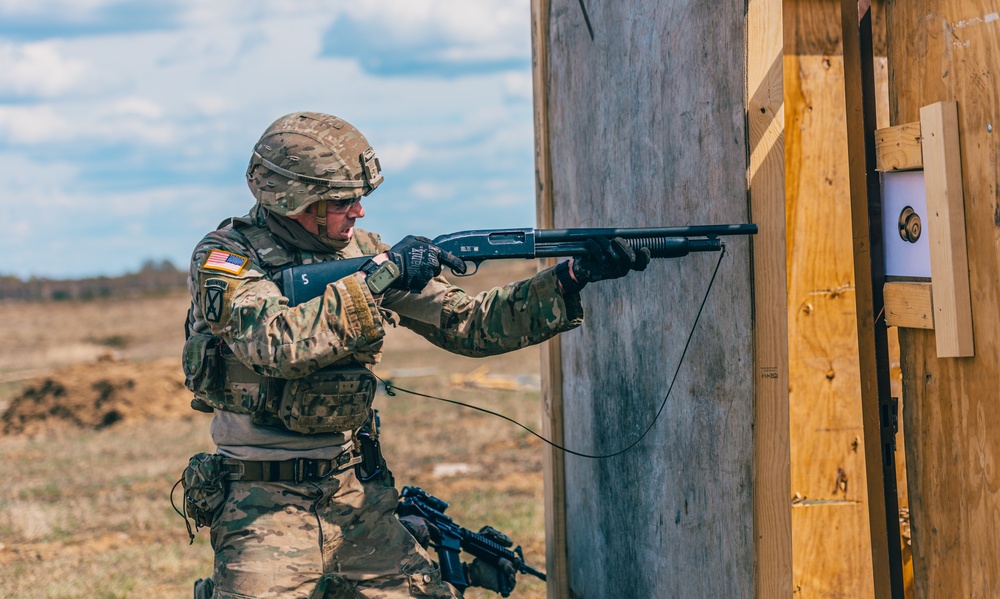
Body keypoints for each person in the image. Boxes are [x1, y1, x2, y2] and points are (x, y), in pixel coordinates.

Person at [180, 111, 649, 599]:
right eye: (344, 201)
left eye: (359, 199)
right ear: (296, 198)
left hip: (356, 498)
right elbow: (273, 344)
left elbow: (469, 326)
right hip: (261, 506)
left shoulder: (365, 252)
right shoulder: (226, 257)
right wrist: (380, 278)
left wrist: (572, 277)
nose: (359, 212)